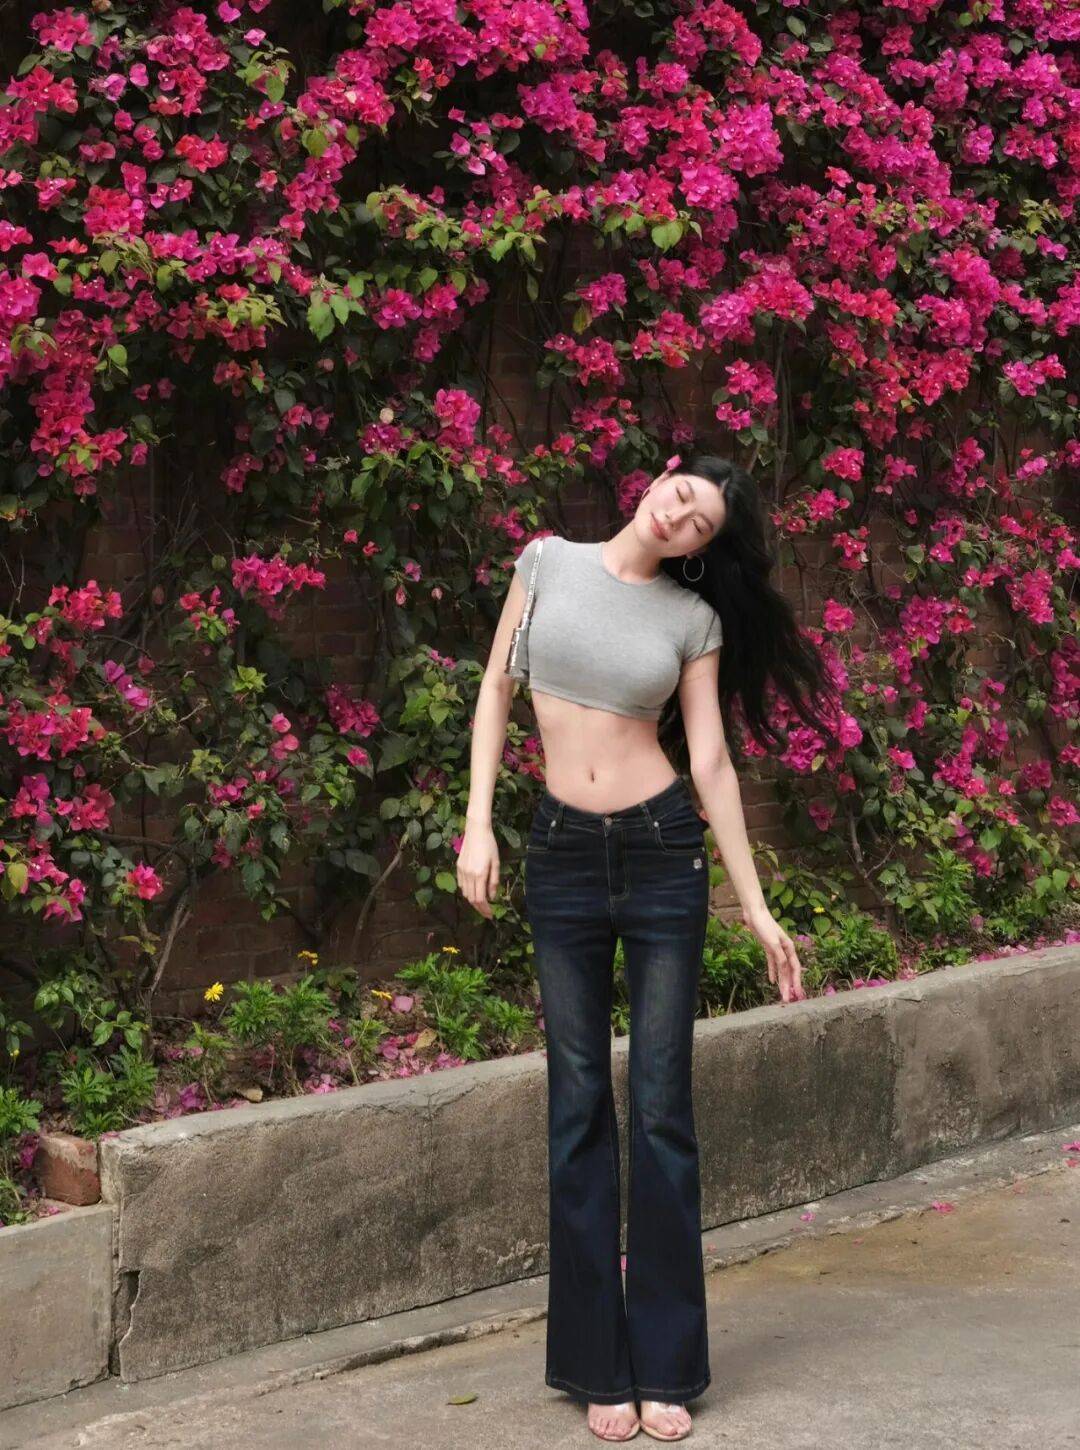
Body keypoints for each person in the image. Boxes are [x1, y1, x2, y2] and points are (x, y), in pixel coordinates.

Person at [456, 455, 841, 1442]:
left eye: (701, 524)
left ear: (703, 548)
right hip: (560, 856)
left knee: (662, 1106)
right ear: (660, 477)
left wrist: (755, 907)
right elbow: (496, 690)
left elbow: (709, 760)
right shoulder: (546, 562)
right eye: (683, 495)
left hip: (663, 853)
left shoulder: (692, 620)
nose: (680, 517)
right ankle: (598, 1367)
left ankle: (666, 1364)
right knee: (578, 1101)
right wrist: (478, 823)